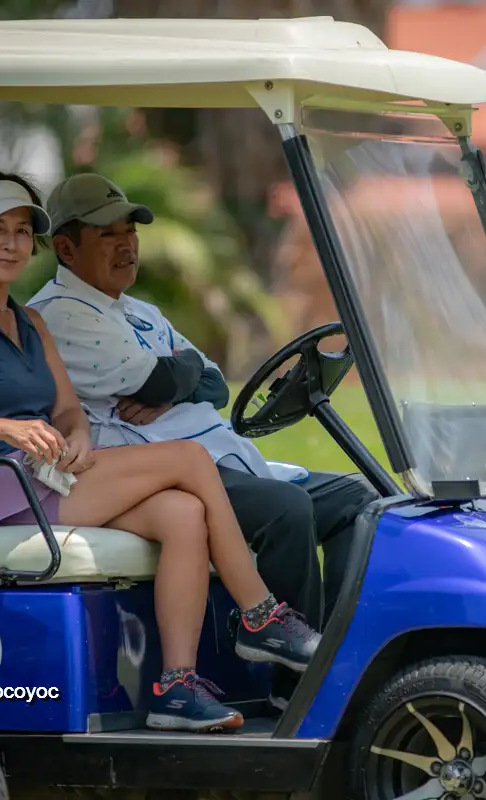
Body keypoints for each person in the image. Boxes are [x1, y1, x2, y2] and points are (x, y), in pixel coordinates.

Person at [0, 169, 322, 734]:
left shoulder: (30, 321)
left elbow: (68, 410)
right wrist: (7, 428)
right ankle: (261, 616)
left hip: (46, 476)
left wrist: (74, 437)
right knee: (189, 461)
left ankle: (176, 688)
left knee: (183, 512)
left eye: (21, 231)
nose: (10, 244)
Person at [26, 172, 379, 709]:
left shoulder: (140, 311)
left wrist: (180, 375)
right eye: (107, 235)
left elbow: (214, 382)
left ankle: (332, 648)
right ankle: (296, 689)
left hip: (215, 455)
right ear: (66, 248)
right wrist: (175, 377)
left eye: (130, 232)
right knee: (286, 508)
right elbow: (159, 382)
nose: (126, 245)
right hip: (149, 469)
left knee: (356, 498)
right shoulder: (60, 313)